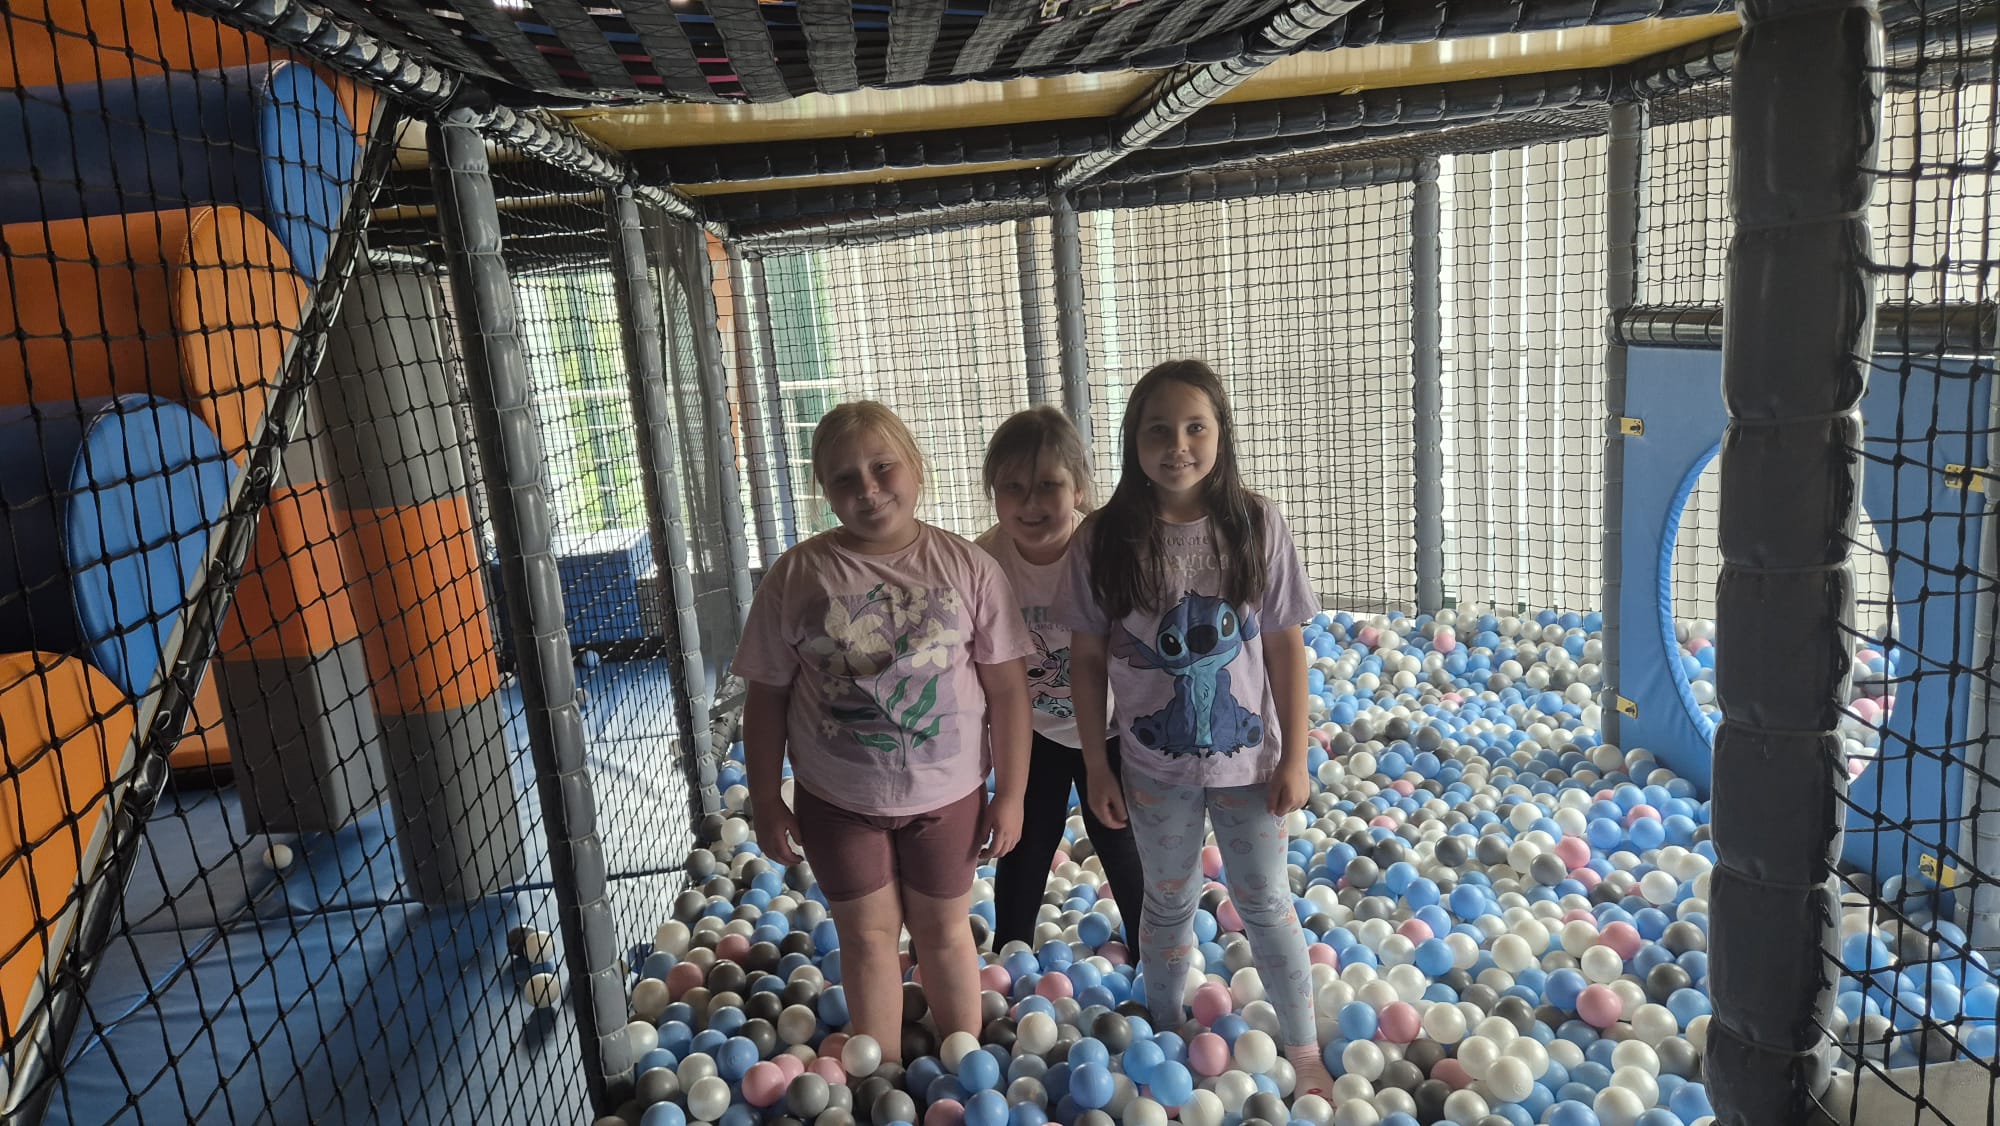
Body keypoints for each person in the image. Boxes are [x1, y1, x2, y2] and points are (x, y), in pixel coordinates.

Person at [1051, 360, 1334, 1098]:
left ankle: (1303, 1048)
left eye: (1194, 428)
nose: (1177, 446)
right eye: (1158, 431)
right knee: (1168, 900)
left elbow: (1284, 646)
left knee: (1265, 901)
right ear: (1132, 441)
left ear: (1220, 434)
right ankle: (1166, 1025)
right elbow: (1087, 659)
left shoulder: (1256, 524)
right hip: (1153, 767)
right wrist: (1097, 765)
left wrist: (1294, 756)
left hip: (1251, 766)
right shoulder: (1103, 539)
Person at [736, 400, 1034, 1061]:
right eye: (845, 478)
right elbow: (767, 697)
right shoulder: (798, 576)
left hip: (947, 795)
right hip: (838, 799)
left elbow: (1009, 690)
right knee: (868, 939)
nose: (868, 490)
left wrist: (1010, 793)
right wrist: (765, 798)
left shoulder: (967, 568)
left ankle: (967, 1068)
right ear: (823, 489)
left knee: (945, 933)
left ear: (915, 468)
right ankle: (882, 1074)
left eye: (882, 468)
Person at [974, 406, 1148, 952]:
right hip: (1034, 730)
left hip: (1112, 727)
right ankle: (1011, 952)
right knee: (1025, 838)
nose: (1030, 503)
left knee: (1120, 836)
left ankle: (1154, 953)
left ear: (1079, 489)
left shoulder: (1106, 551)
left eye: (1048, 485)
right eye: (1013, 488)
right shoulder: (982, 563)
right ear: (994, 493)